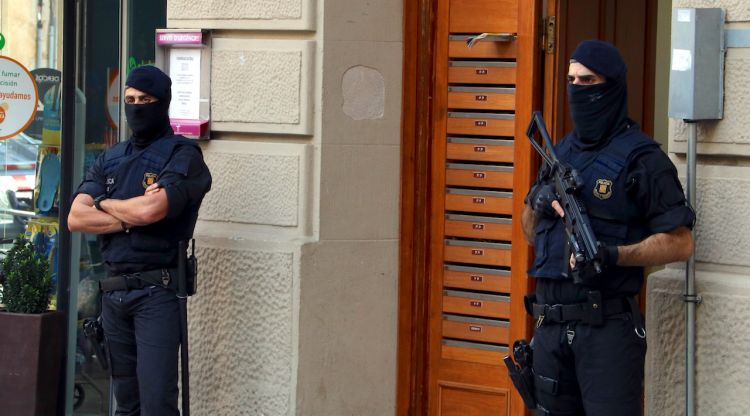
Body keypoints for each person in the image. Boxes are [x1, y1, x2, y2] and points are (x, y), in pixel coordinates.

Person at [521, 40, 695, 416]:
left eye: (588, 80)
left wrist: (614, 255)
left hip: (607, 330)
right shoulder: (558, 153)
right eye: (571, 80)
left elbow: (680, 244)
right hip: (550, 326)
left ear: (611, 85)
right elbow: (528, 232)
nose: (576, 89)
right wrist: (538, 203)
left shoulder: (644, 159)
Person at [68, 65, 212, 415]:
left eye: (144, 100)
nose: (135, 107)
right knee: (126, 405)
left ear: (162, 104)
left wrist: (104, 204)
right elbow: (76, 217)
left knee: (157, 403)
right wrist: (128, 215)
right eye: (130, 100)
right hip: (114, 294)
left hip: (157, 293)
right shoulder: (111, 157)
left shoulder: (182, 155)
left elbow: (152, 210)